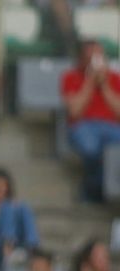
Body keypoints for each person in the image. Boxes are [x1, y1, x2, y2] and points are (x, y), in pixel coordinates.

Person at [62, 39, 120, 201]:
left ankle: (93, 189)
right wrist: (89, 82)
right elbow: (74, 111)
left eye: (98, 56)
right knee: (90, 148)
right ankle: (95, 189)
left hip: (112, 127)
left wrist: (104, 85)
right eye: (91, 56)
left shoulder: (114, 78)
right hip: (83, 126)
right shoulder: (71, 77)